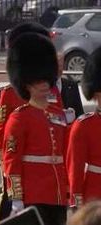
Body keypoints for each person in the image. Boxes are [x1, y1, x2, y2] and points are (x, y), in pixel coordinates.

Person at [3, 33, 68, 225]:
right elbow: (11, 160)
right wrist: (16, 197)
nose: (45, 85)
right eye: (38, 82)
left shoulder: (57, 113)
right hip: (34, 191)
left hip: (57, 192)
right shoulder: (19, 118)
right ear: (27, 85)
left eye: (46, 80)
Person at [66, 47, 101, 207]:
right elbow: (76, 168)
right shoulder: (84, 126)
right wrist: (77, 203)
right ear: (96, 93)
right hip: (95, 196)